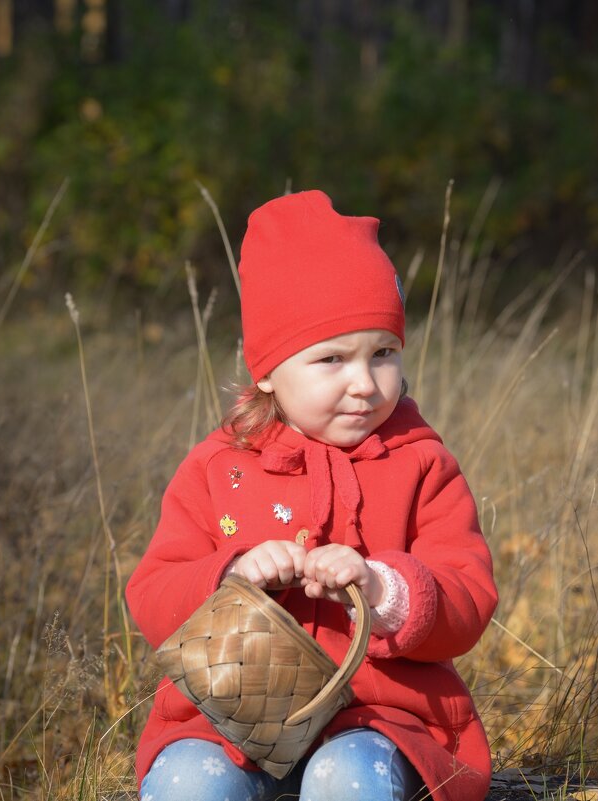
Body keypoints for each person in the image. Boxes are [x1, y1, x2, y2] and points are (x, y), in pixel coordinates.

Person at [125, 190, 497, 801]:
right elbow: (153, 596)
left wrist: (384, 590)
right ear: (268, 371)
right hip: (229, 723)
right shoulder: (219, 468)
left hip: (380, 720)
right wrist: (231, 573)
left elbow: (468, 598)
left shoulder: (422, 464)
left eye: (384, 353)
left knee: (349, 778)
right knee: (188, 783)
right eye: (331, 359)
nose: (364, 384)